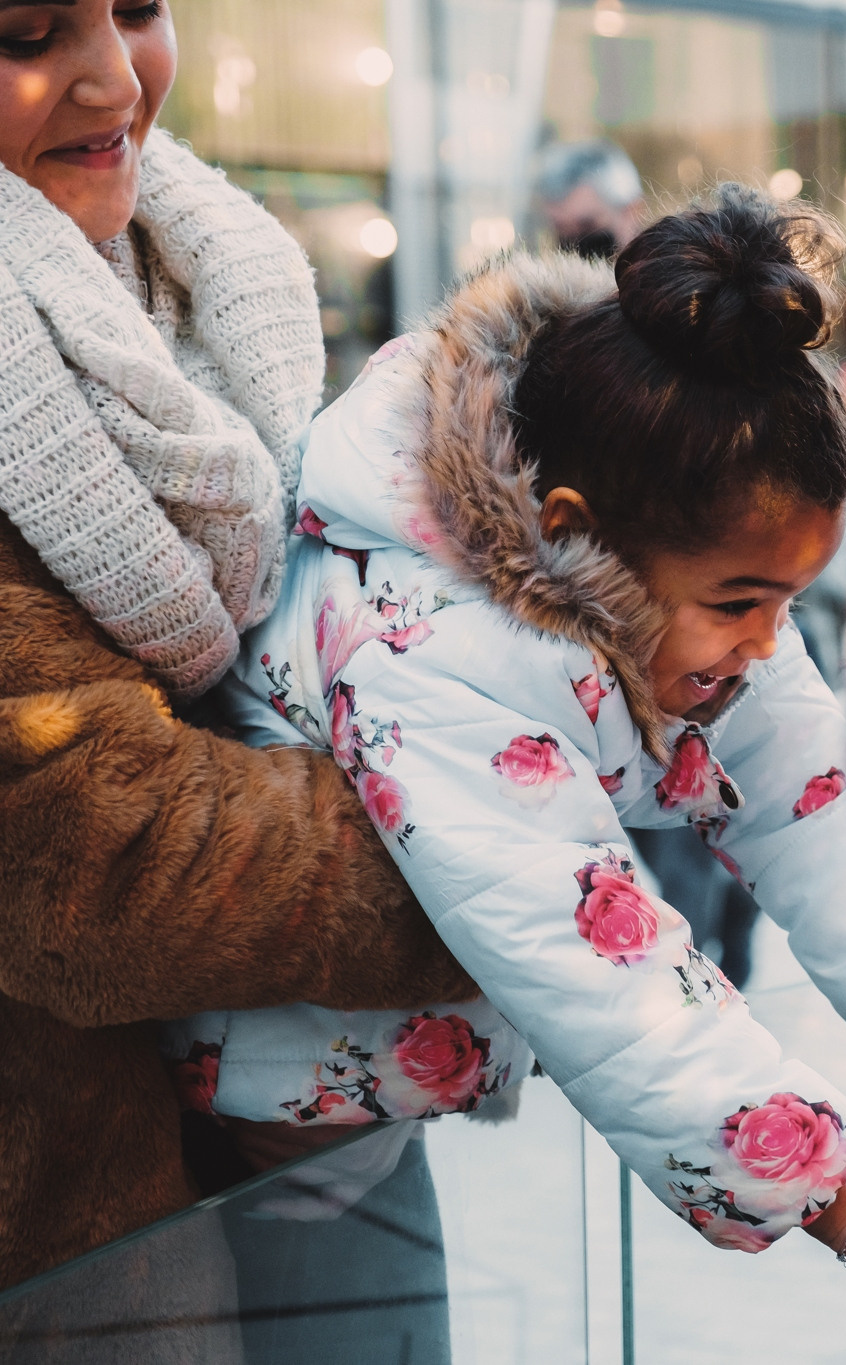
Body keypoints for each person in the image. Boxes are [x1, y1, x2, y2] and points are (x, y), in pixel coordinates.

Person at [171, 184, 846, 1277]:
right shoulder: (432, 656)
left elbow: (803, 769)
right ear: (573, 535)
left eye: (787, 604)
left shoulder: (657, 550)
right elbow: (596, 966)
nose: (766, 641)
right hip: (265, 1122)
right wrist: (839, 1208)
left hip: (365, 1090)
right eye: (739, 604)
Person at [0, 0, 474, 1294]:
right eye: (27, 31)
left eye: (141, 9)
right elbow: (87, 862)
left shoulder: (205, 269)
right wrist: (510, 836)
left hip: (327, 1133)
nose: (113, 81)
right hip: (80, 1234)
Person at [535, 137, 645, 261]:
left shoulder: (666, 276)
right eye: (560, 227)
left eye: (587, 225)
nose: (574, 243)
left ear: (631, 211)